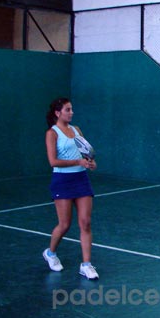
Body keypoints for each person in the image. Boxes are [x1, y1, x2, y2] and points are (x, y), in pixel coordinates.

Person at [43, 97, 99, 280]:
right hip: (62, 181)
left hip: (81, 179)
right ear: (57, 113)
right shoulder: (52, 133)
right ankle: (50, 253)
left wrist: (90, 163)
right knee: (65, 224)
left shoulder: (77, 130)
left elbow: (86, 153)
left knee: (85, 222)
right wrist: (77, 162)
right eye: (67, 109)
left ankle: (86, 265)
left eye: (71, 109)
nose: (71, 112)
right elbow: (53, 161)